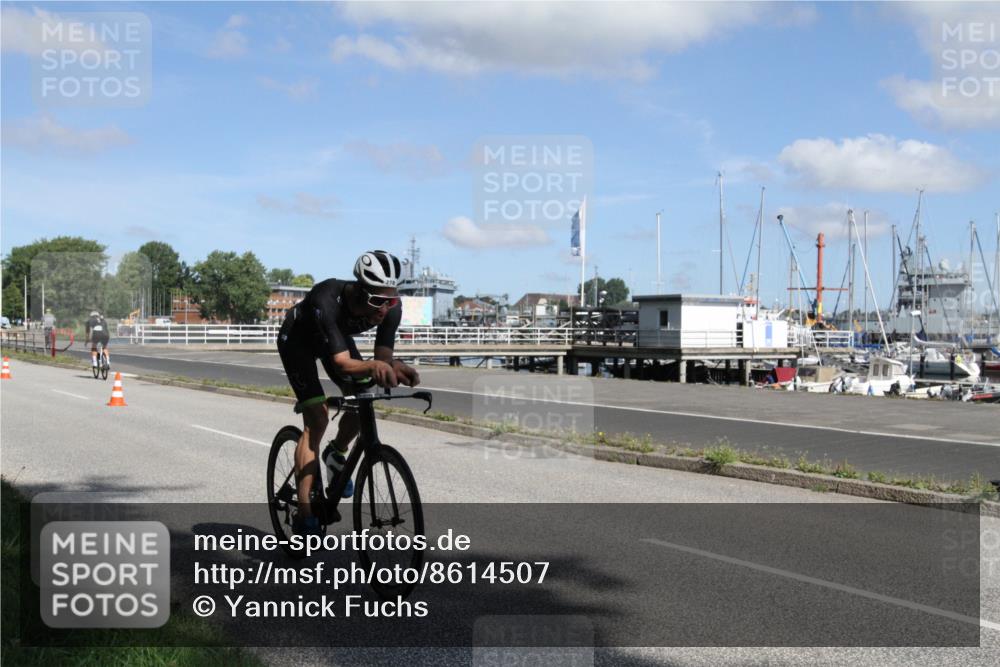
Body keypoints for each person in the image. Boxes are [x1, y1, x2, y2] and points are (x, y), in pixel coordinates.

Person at [276, 250, 420, 536]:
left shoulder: (391, 308)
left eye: (391, 300)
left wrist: (395, 367)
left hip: (334, 342)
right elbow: (342, 362)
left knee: (364, 397)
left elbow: (381, 359)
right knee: (317, 420)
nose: (384, 309)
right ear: (359, 291)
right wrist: (378, 365)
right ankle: (305, 514)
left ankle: (336, 454)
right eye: (378, 300)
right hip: (298, 343)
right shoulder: (326, 297)